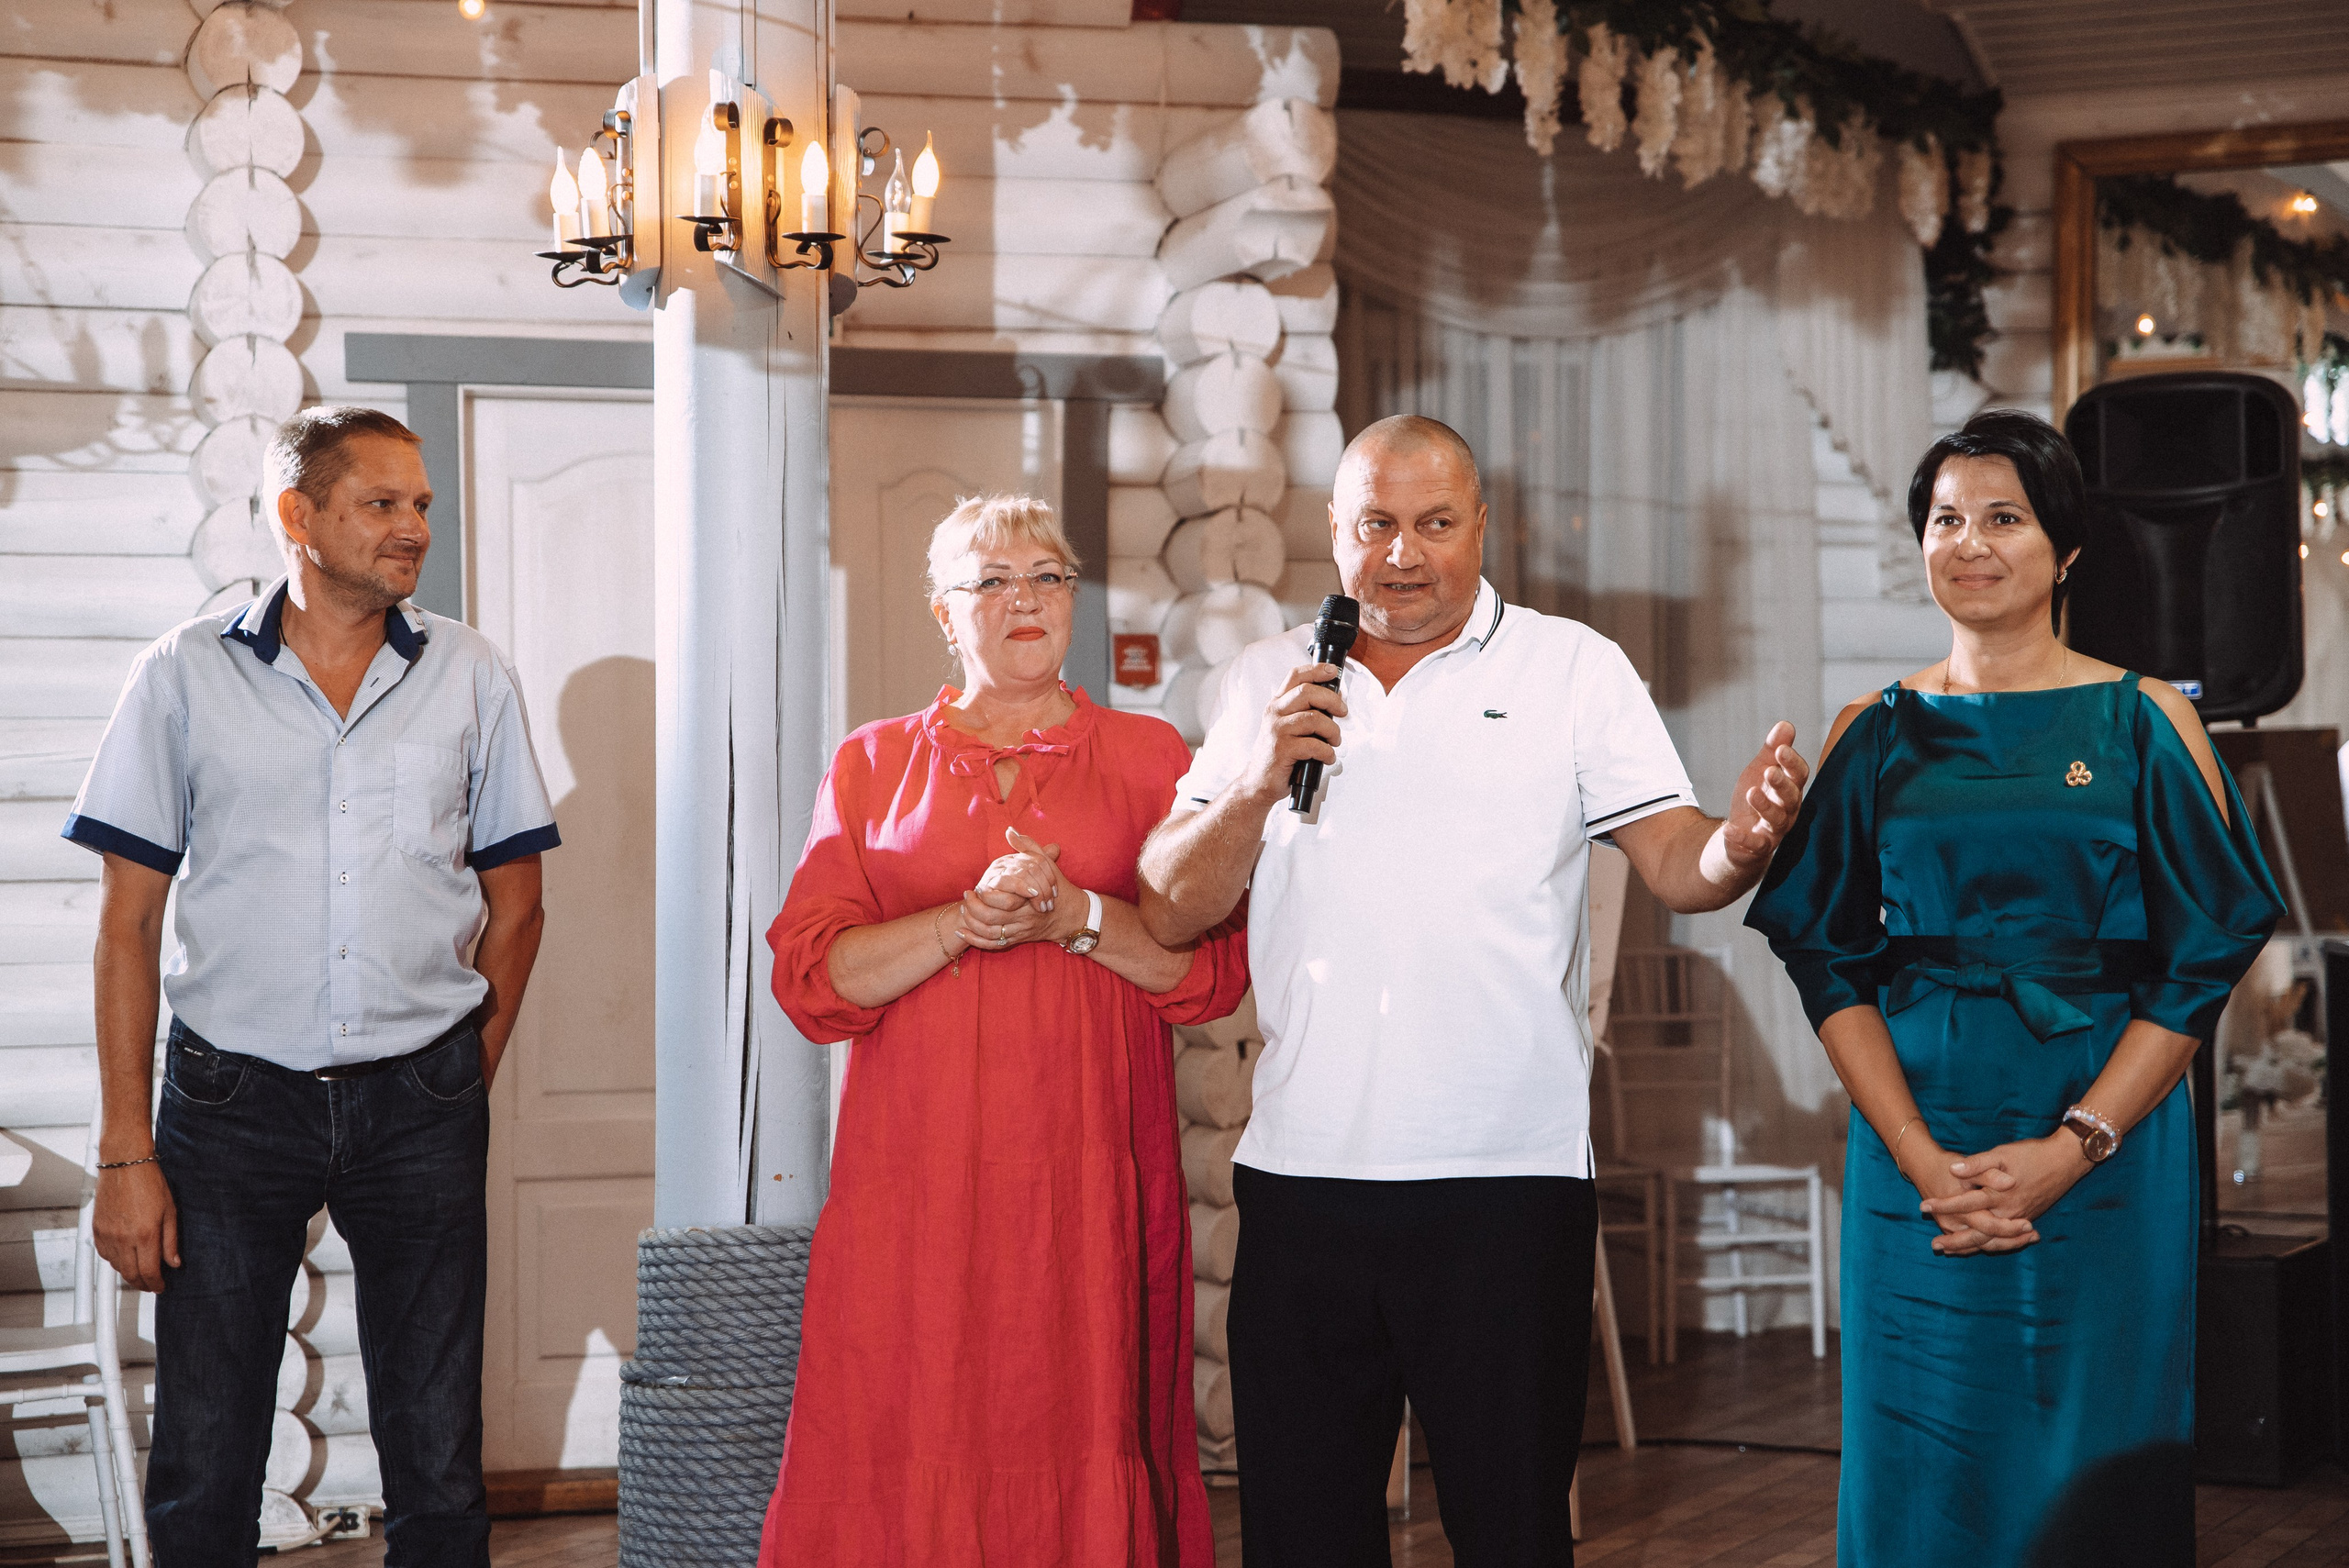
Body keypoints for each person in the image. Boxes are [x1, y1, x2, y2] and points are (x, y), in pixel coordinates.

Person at [1134, 415, 1810, 1565]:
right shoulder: (1264, 677)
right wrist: (1254, 778)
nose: (1403, 552)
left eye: (1434, 524)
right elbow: (1167, 899)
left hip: (1506, 1182)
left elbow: (1675, 861)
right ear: (1334, 533)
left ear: (1481, 525)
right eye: (1376, 525)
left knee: (1510, 1529)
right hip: (1303, 1181)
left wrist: (1743, 842)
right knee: (1301, 1534)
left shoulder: (1573, 666)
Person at [1744, 408, 2283, 1568]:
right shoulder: (1873, 729)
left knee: (2094, 1450)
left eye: (2003, 517)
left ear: (2065, 548)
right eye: (1945, 519)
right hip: (1914, 1152)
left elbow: (2201, 959)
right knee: (1919, 1459)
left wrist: (2072, 1142)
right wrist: (1915, 1153)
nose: (1970, 542)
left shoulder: (2143, 720)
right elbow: (1824, 955)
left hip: (2108, 1137)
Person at [67, 406, 559, 1565]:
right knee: (206, 1444)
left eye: (421, 505)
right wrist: (127, 1153)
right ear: (300, 516)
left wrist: (456, 1077)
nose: (412, 529)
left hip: (419, 1098)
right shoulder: (181, 675)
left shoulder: (471, 674)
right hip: (232, 1101)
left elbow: (520, 904)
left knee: (438, 1449)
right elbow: (127, 927)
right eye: (382, 503)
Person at [756, 495, 1249, 1565]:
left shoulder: (1152, 754)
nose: (1025, 599)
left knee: (1081, 1415)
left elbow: (1206, 976)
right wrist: (958, 922)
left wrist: (1078, 919)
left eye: (1048, 575)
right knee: (904, 1410)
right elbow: (812, 978)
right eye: (992, 580)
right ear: (943, 611)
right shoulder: (871, 764)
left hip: (1089, 1184)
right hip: (913, 1183)